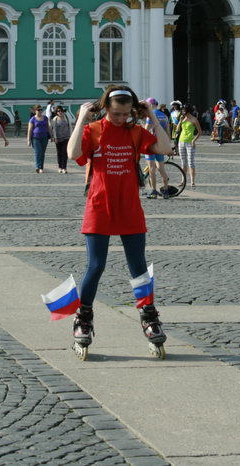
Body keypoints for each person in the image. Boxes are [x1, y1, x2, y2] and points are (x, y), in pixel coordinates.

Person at [66, 85, 171, 356]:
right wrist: (81, 119)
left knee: (138, 267)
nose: (121, 119)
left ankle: (149, 317)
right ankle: (84, 319)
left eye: (126, 114)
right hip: (99, 207)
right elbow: (71, 153)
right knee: (96, 265)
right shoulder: (94, 130)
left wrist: (152, 116)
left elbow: (165, 147)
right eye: (116, 114)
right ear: (105, 109)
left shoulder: (135, 132)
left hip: (129, 208)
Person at [143, 97, 171, 199]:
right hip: (161, 144)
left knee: (151, 169)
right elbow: (168, 133)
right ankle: (166, 191)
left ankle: (154, 192)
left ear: (150, 105)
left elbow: (146, 131)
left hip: (151, 145)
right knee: (161, 168)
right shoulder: (164, 116)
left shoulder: (151, 115)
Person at [176, 103, 202, 187]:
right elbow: (177, 129)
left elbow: (199, 132)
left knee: (191, 162)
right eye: (182, 110)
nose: (182, 111)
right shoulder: (183, 119)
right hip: (181, 141)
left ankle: (192, 181)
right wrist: (180, 121)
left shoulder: (194, 119)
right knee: (183, 163)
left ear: (188, 111)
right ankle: (183, 180)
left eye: (184, 110)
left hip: (190, 142)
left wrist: (194, 140)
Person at [27, 104, 52, 173]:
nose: (40, 111)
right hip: (35, 138)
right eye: (38, 110)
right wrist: (29, 140)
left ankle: (41, 167)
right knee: (38, 152)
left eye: (41, 110)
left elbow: (48, 127)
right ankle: (38, 167)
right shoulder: (32, 119)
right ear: (35, 111)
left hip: (44, 137)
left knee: (42, 153)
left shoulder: (45, 118)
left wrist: (51, 136)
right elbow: (30, 130)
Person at [51, 105, 71, 174]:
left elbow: (70, 127)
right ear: (56, 112)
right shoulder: (55, 119)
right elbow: (53, 130)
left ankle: (64, 168)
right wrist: (55, 138)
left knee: (65, 153)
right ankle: (60, 167)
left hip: (66, 138)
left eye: (61, 111)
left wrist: (71, 136)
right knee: (59, 153)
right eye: (58, 111)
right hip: (58, 139)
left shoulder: (66, 118)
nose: (60, 112)